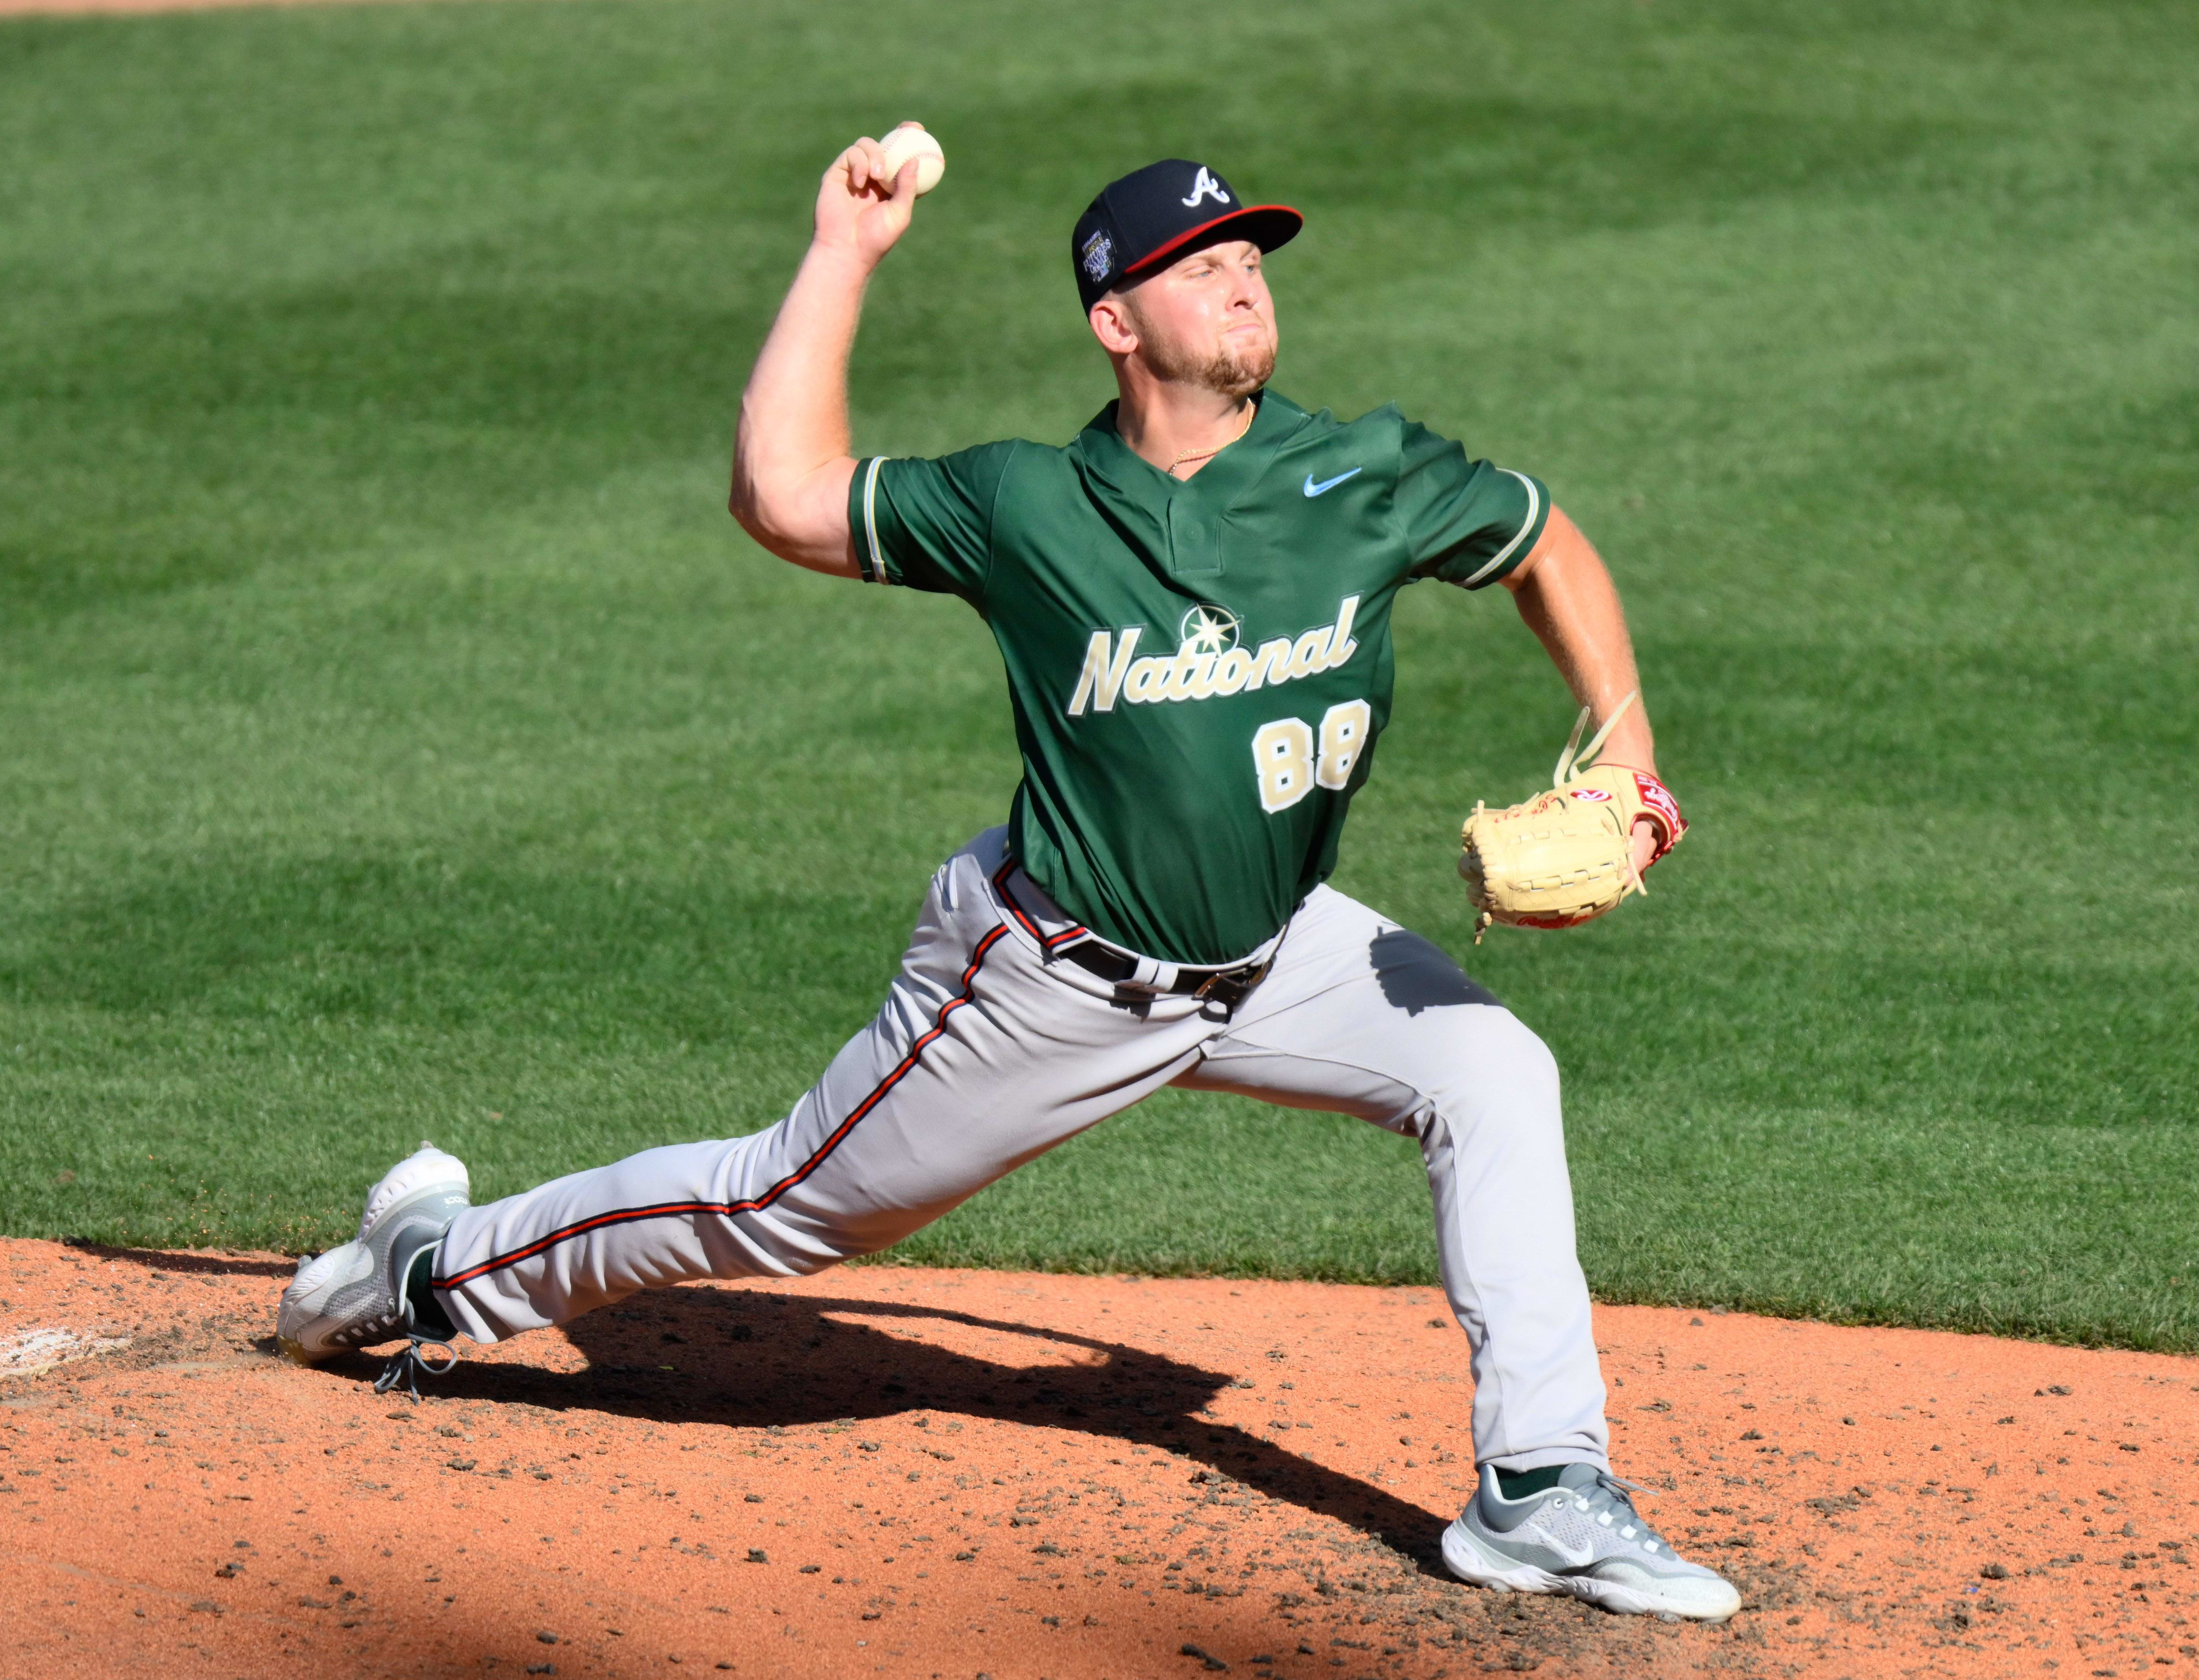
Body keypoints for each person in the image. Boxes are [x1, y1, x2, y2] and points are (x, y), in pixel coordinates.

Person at [278, 135, 1729, 1622]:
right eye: (1199, 264)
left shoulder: (1360, 472)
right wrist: (846, 250)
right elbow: (781, 494)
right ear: (1116, 324)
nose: (1241, 278)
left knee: (1492, 1071)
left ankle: (1542, 1491)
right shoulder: (1028, 506)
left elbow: (1546, 542)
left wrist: (1628, 757)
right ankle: (431, 1268)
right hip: (1050, 980)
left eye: (1250, 256)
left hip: (1281, 949)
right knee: (783, 1203)